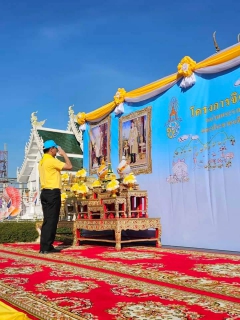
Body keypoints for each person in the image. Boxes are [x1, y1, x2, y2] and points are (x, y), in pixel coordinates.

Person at [38, 140, 72, 254]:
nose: (57, 151)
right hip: (53, 193)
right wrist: (64, 154)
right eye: (56, 149)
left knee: (47, 220)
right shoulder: (51, 161)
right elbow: (69, 166)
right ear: (51, 149)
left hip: (44, 192)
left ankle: (44, 246)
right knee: (52, 220)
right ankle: (47, 247)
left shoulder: (42, 161)